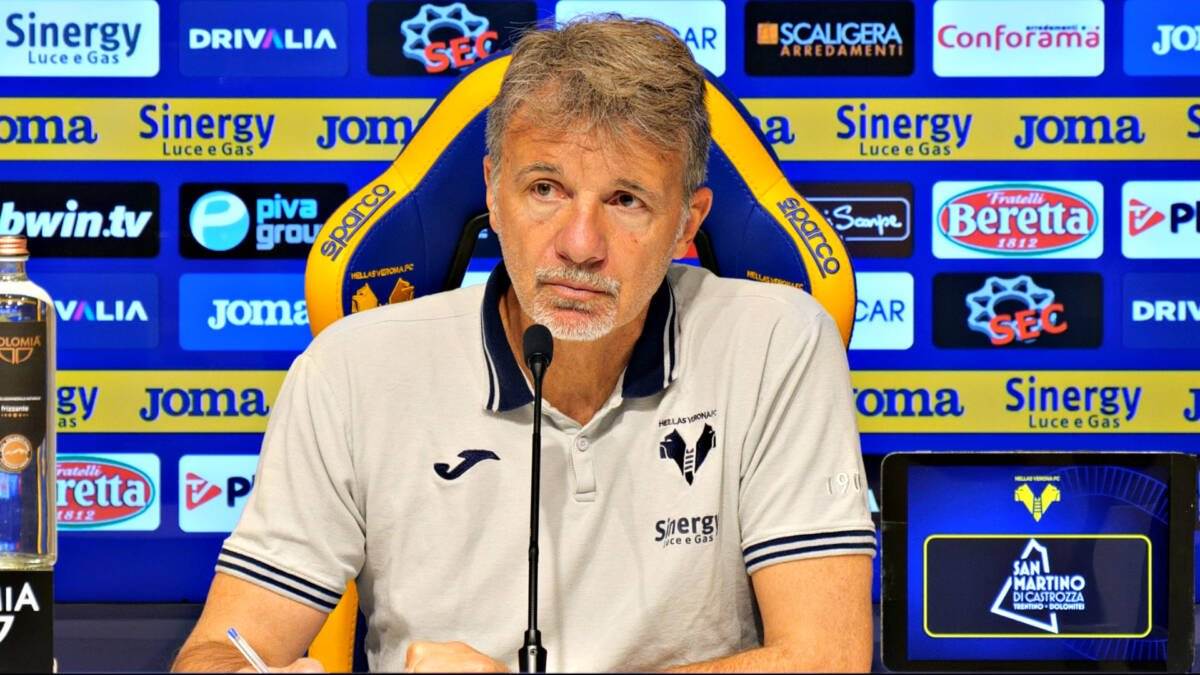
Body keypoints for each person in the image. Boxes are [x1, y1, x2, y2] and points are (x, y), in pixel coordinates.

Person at [172, 16, 874, 673]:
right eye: (545, 188)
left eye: (626, 200)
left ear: (687, 222)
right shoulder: (351, 370)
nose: (580, 245)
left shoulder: (776, 343)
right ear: (492, 191)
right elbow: (216, 651)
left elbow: (827, 659)